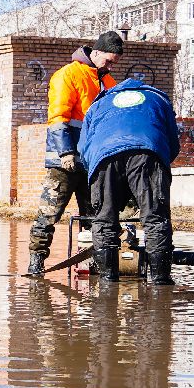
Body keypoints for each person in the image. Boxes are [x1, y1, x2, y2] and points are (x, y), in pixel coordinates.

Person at [25, 30, 123, 277]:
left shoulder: (108, 82)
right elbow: (58, 117)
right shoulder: (68, 75)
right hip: (64, 162)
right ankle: (36, 263)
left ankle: (92, 263)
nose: (110, 66)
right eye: (108, 60)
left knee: (94, 216)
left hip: (92, 162)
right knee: (49, 213)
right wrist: (66, 152)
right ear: (96, 52)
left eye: (114, 62)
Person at [78, 77, 181, 285]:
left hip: (103, 157)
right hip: (147, 153)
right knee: (155, 218)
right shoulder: (159, 99)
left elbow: (84, 149)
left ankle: (107, 282)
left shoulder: (98, 104)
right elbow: (172, 142)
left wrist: (99, 178)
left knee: (104, 220)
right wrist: (157, 173)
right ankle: (161, 283)